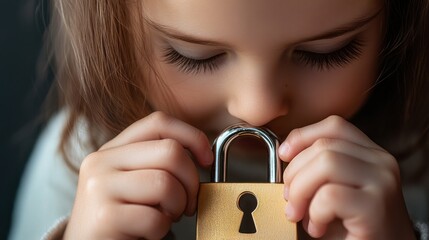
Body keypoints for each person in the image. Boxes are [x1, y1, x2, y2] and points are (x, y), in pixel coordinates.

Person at [8, 0, 429, 239]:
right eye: (195, 56)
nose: (257, 108)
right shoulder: (82, 165)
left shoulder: (414, 167)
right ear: (117, 28)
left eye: (326, 52)